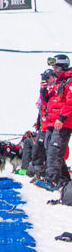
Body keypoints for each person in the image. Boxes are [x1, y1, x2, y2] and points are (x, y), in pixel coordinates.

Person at [41, 53, 72, 190]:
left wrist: (62, 117)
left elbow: (70, 102)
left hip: (63, 122)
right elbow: (49, 101)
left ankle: (51, 180)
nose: (54, 69)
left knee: (55, 150)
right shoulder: (58, 81)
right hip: (51, 121)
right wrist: (43, 91)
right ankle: (64, 180)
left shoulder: (69, 80)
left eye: (56, 66)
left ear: (63, 66)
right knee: (50, 149)